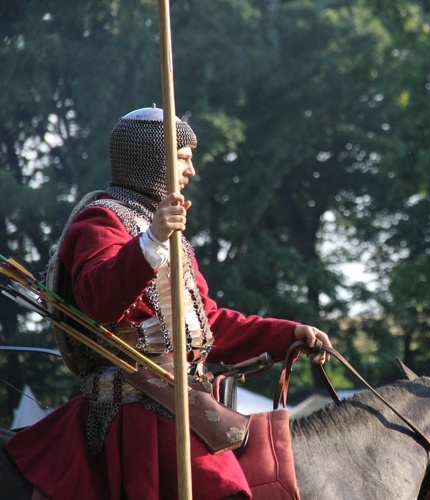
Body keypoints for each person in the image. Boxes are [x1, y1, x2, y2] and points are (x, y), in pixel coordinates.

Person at [5, 107, 333, 499]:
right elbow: (98, 300)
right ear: (152, 162)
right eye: (182, 158)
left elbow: (207, 323)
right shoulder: (99, 220)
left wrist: (287, 334)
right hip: (137, 409)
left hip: (188, 402)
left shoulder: (172, 236)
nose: (190, 171)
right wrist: (151, 242)